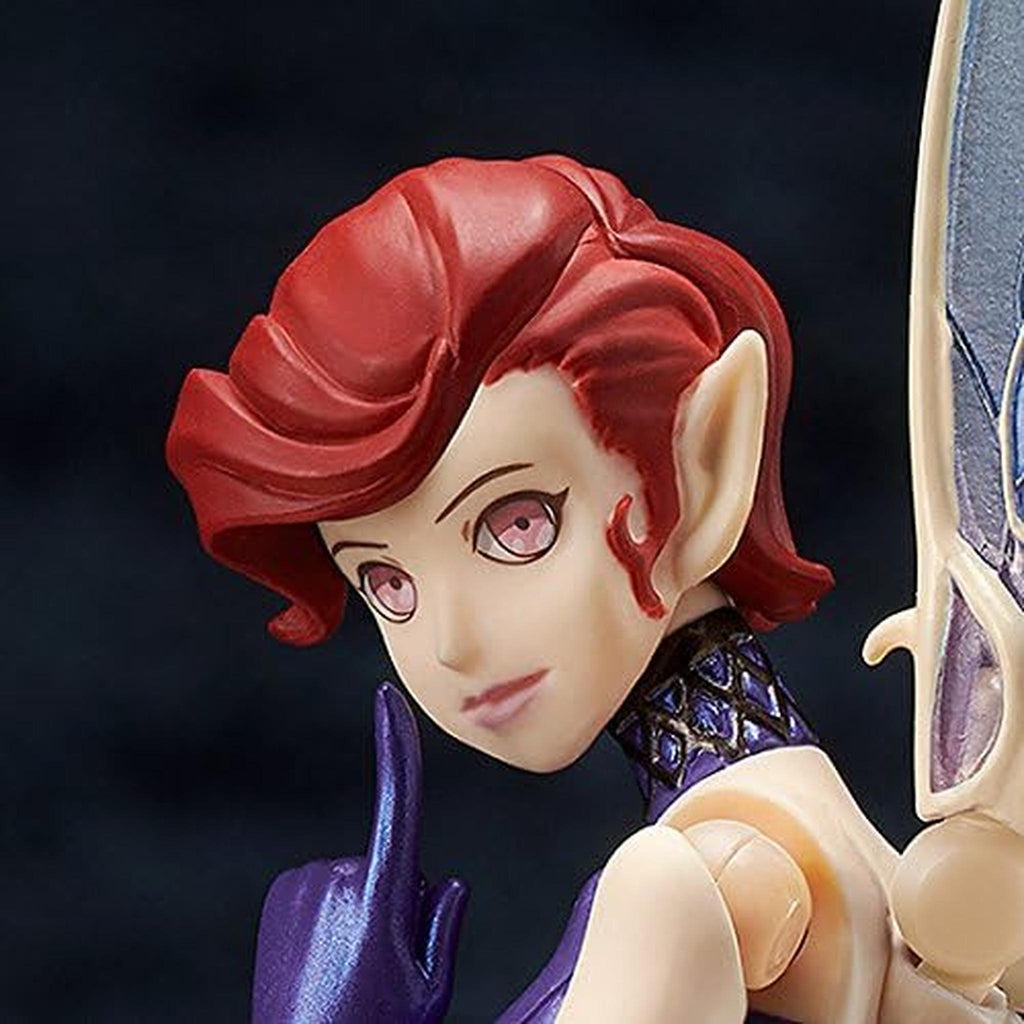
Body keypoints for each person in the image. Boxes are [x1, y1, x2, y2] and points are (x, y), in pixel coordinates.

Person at [167, 156, 1007, 1022]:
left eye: (517, 525)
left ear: (704, 461)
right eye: (387, 583)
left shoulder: (682, 891)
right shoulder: (838, 853)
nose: (451, 642)